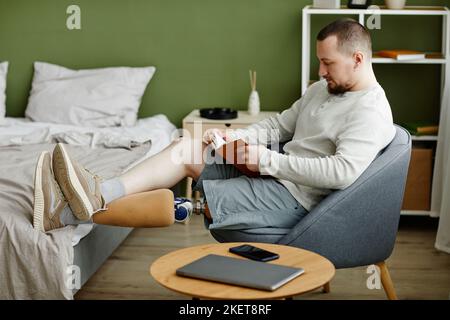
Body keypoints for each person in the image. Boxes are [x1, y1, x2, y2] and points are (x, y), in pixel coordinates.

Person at [33, 18, 395, 233]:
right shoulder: (321, 90)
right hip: (272, 173)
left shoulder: (370, 112)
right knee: (186, 147)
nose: (320, 71)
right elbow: (280, 126)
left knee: (187, 205)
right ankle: (100, 192)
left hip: (295, 199)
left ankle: (64, 214)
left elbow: (343, 172)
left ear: (358, 59)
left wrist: (267, 161)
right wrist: (234, 137)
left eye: (327, 63)